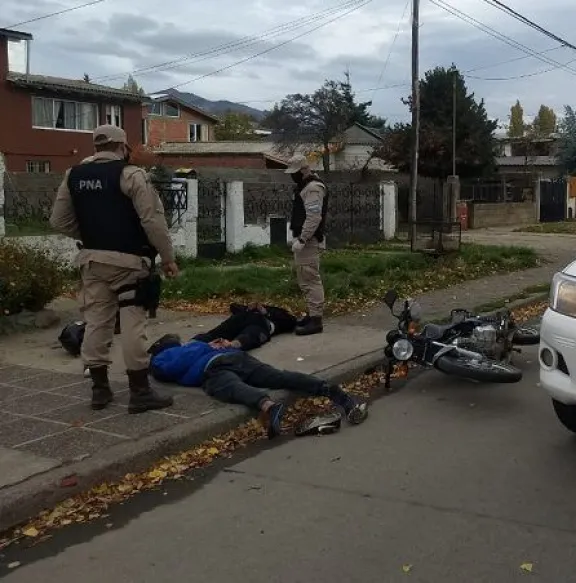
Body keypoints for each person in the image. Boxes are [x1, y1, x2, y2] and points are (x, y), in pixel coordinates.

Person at [49, 125, 179, 414]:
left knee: (96, 322)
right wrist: (168, 258)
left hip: (92, 261)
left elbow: (59, 221)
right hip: (129, 262)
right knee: (133, 321)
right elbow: (152, 221)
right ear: (123, 147)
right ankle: (140, 392)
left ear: (96, 147)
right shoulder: (131, 175)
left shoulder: (74, 175)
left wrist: (93, 235)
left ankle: (100, 391)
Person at [148, 334, 369, 439]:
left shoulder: (163, 358)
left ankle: (268, 405)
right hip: (236, 357)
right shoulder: (194, 344)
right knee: (277, 377)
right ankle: (329, 390)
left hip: (211, 368)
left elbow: (166, 371)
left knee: (230, 386)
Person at [285, 154, 328, 336]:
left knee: (310, 279)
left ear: (304, 170)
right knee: (305, 279)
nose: (292, 175)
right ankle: (312, 315)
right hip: (304, 240)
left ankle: (316, 320)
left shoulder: (313, 188)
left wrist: (302, 239)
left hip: (308, 241)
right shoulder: (306, 186)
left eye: (295, 172)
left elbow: (313, 217)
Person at [191, 302, 299, 351]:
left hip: (263, 324)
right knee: (224, 328)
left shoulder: (280, 313)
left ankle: (232, 345)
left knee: (251, 335)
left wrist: (265, 312)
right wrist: (249, 308)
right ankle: (192, 343)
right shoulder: (253, 309)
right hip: (245, 318)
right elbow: (233, 306)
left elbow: (291, 321)